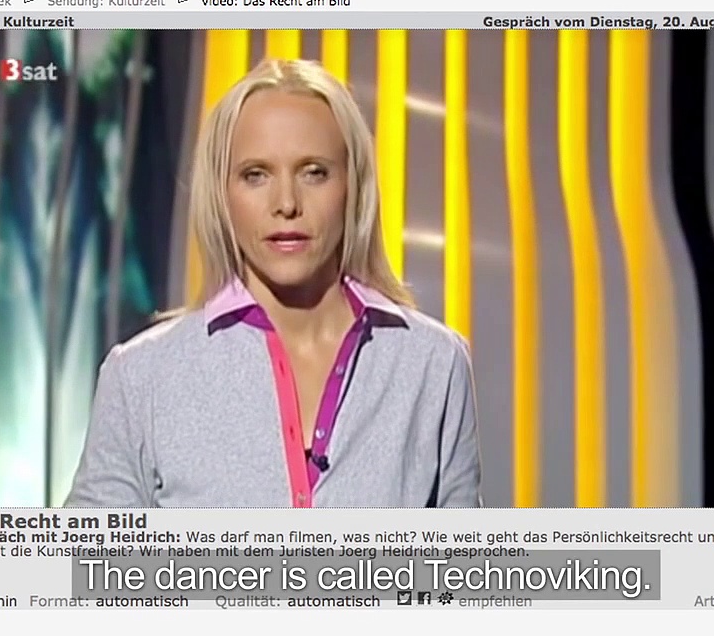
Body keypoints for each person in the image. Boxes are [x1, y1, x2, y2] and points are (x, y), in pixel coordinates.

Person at [66, 58, 481, 508]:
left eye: (314, 172)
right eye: (256, 175)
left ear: (353, 186)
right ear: (222, 193)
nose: (286, 203)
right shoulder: (140, 376)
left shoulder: (434, 364)